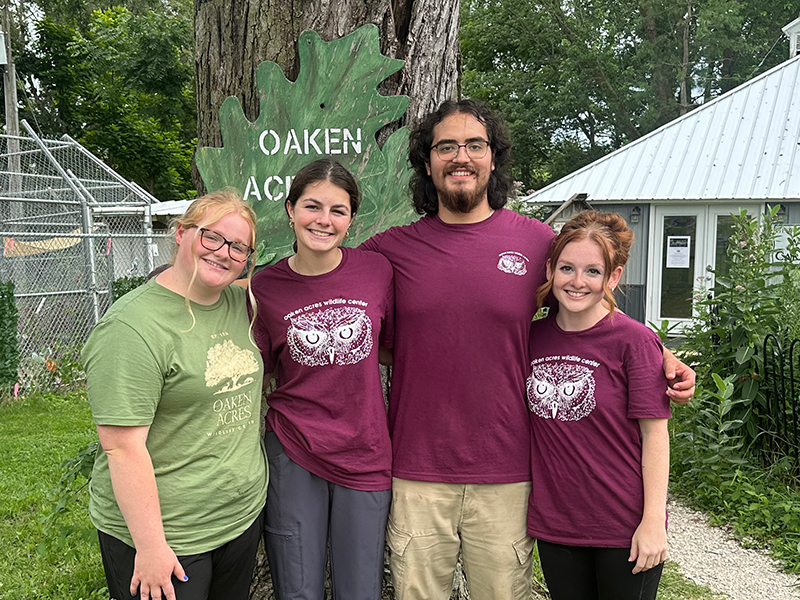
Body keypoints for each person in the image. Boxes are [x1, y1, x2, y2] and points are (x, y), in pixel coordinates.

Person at [359, 99, 694, 600]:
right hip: (417, 471)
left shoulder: (537, 242)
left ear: (493, 158)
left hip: (509, 472)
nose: (461, 157)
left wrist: (655, 350)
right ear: (427, 162)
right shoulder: (390, 250)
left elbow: (584, 294)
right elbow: (332, 295)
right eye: (445, 146)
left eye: (475, 145)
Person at [82, 192, 268, 600]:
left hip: (237, 519)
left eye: (239, 246)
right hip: (168, 535)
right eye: (212, 237)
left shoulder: (243, 303)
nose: (224, 253)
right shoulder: (132, 328)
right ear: (181, 233)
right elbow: (121, 448)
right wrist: (150, 546)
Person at [250, 159, 394, 600]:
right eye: (313, 206)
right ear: (290, 209)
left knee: (360, 587)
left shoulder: (377, 272)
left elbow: (390, 349)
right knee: (297, 587)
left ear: (352, 219)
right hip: (294, 448)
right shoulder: (264, 287)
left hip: (365, 451)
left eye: (338, 210)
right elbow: (256, 372)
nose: (324, 220)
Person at [526, 210, 670, 599]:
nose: (577, 282)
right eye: (567, 268)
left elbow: (655, 434)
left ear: (613, 277)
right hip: (557, 524)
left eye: (593, 271)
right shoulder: (531, 338)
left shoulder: (633, 341)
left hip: (623, 525)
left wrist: (653, 521)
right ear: (550, 269)